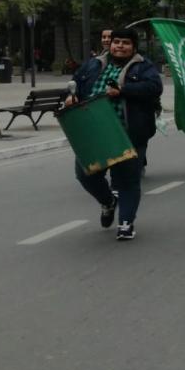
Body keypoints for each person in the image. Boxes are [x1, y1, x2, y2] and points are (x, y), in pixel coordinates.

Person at [65, 27, 163, 241]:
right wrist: (71, 98)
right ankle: (108, 201)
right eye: (116, 41)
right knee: (86, 174)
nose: (120, 45)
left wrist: (123, 90)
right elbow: (76, 84)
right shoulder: (94, 64)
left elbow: (154, 88)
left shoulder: (144, 67)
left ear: (133, 47)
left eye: (125, 42)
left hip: (129, 132)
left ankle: (126, 223)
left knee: (127, 180)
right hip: (94, 133)